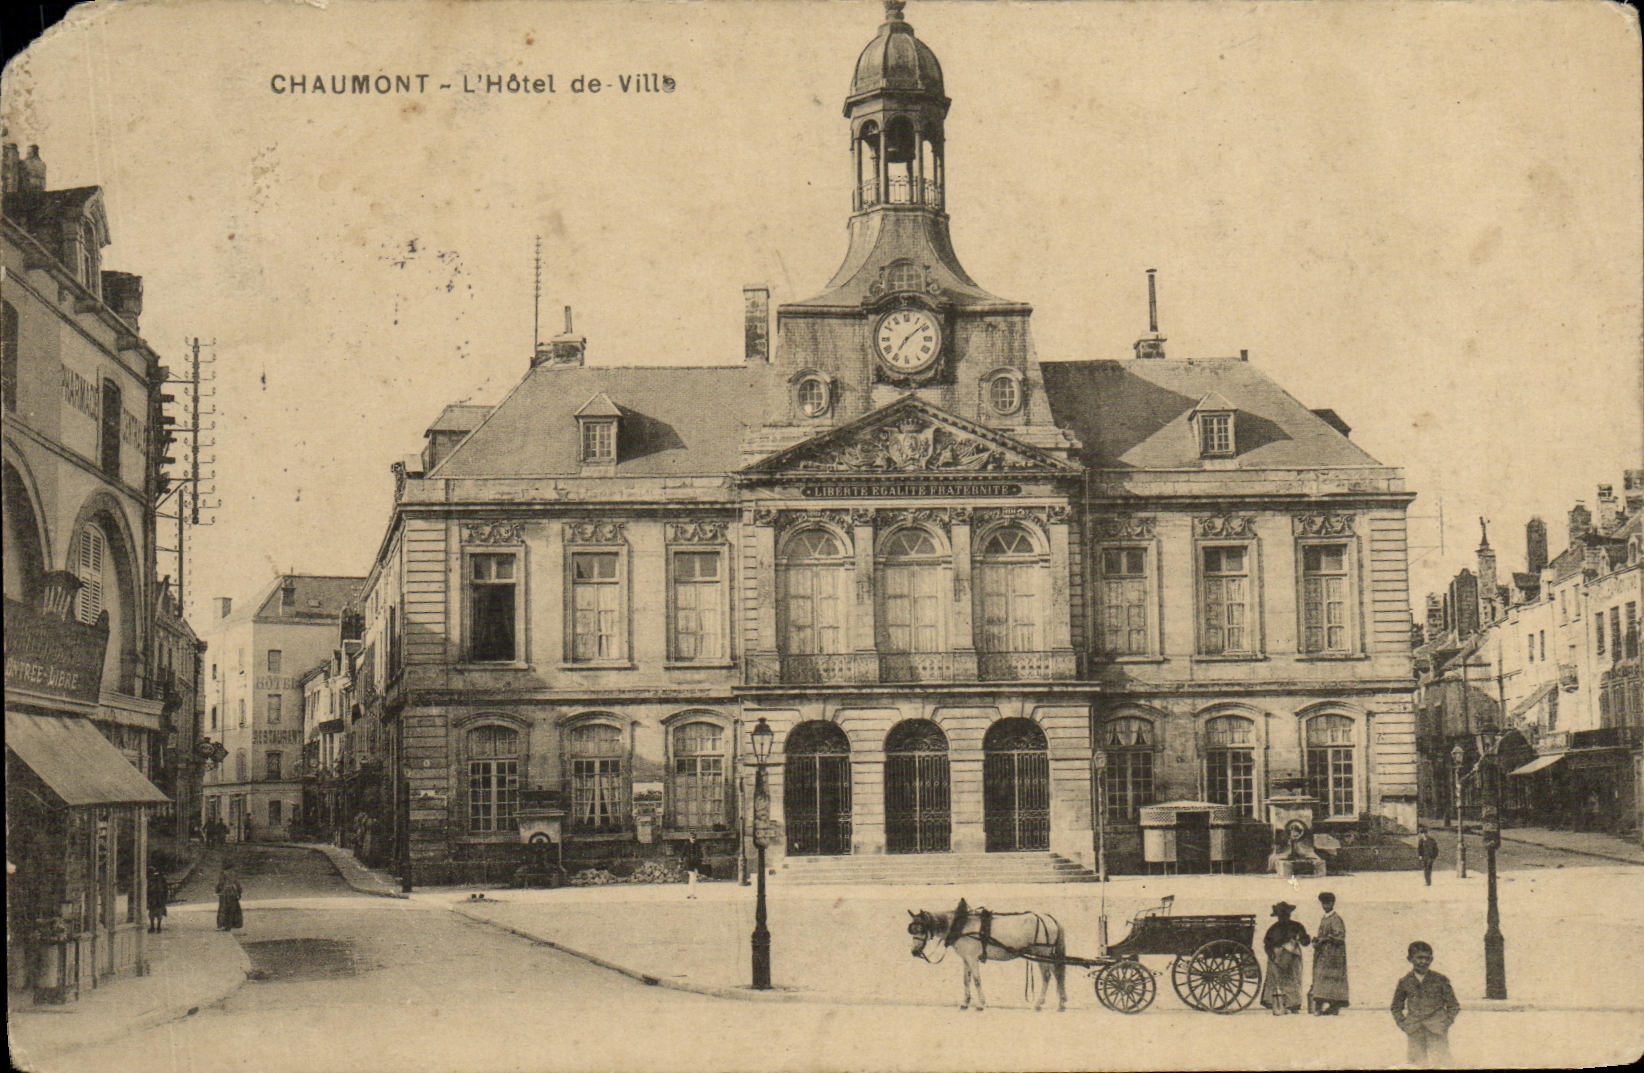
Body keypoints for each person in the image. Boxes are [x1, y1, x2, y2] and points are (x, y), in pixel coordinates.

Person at [1391, 940, 1460, 1067]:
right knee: (1417, 1065)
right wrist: (1403, 1024)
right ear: (1410, 959)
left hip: (1437, 1029)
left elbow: (1453, 1005)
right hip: (1414, 1030)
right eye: (1419, 958)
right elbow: (1396, 1007)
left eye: (1427, 958)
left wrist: (1445, 1022)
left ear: (1431, 959)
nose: (1423, 961)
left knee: (1441, 1064)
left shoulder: (1441, 980)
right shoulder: (1405, 982)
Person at [1260, 901, 1310, 1015]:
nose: (1283, 917)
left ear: (1289, 915)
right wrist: (1271, 954)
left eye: (1285, 915)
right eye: (1281, 915)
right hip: (1276, 958)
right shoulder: (1273, 928)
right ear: (1277, 916)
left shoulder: (1297, 926)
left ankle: (1293, 1004)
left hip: (1292, 958)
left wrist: (1302, 939)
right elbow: (1267, 944)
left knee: (1292, 979)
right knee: (1277, 980)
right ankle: (1278, 1004)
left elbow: (1305, 941)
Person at [1310, 891, 1349, 1014]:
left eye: (1327, 903)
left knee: (1331, 979)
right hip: (1323, 954)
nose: (1325, 906)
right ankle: (1320, 1006)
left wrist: (1324, 939)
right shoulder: (1324, 918)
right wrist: (1317, 939)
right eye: (1323, 903)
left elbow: (1339, 936)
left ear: (1332, 903)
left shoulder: (1336, 919)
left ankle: (1334, 1006)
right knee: (1321, 978)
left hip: (1333, 955)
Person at [146, 867, 169, 933]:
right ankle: (156, 927)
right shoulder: (160, 879)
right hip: (157, 899)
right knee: (155, 913)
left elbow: (165, 889)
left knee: (155, 913)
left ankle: (155, 927)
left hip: (157, 899)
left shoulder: (155, 879)